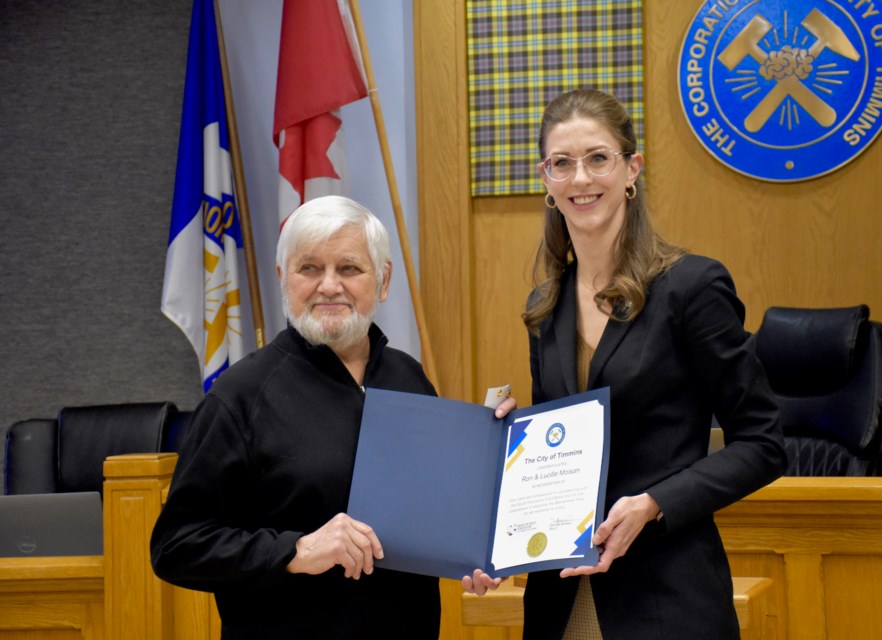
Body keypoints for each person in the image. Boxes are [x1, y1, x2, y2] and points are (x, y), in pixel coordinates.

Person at [466, 89, 787, 639]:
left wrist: (655, 503)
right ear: (545, 178)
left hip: (664, 597)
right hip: (562, 596)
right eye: (561, 163)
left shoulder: (691, 287)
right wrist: (511, 447)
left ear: (631, 168)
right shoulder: (545, 306)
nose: (580, 178)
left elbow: (763, 443)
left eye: (597, 158)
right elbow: (562, 451)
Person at [151, 195, 513, 639]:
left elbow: (433, 513)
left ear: (382, 281)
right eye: (309, 268)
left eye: (349, 268)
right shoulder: (240, 395)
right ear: (284, 279)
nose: (328, 286)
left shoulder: (409, 377)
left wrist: (472, 555)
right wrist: (296, 550)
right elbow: (177, 546)